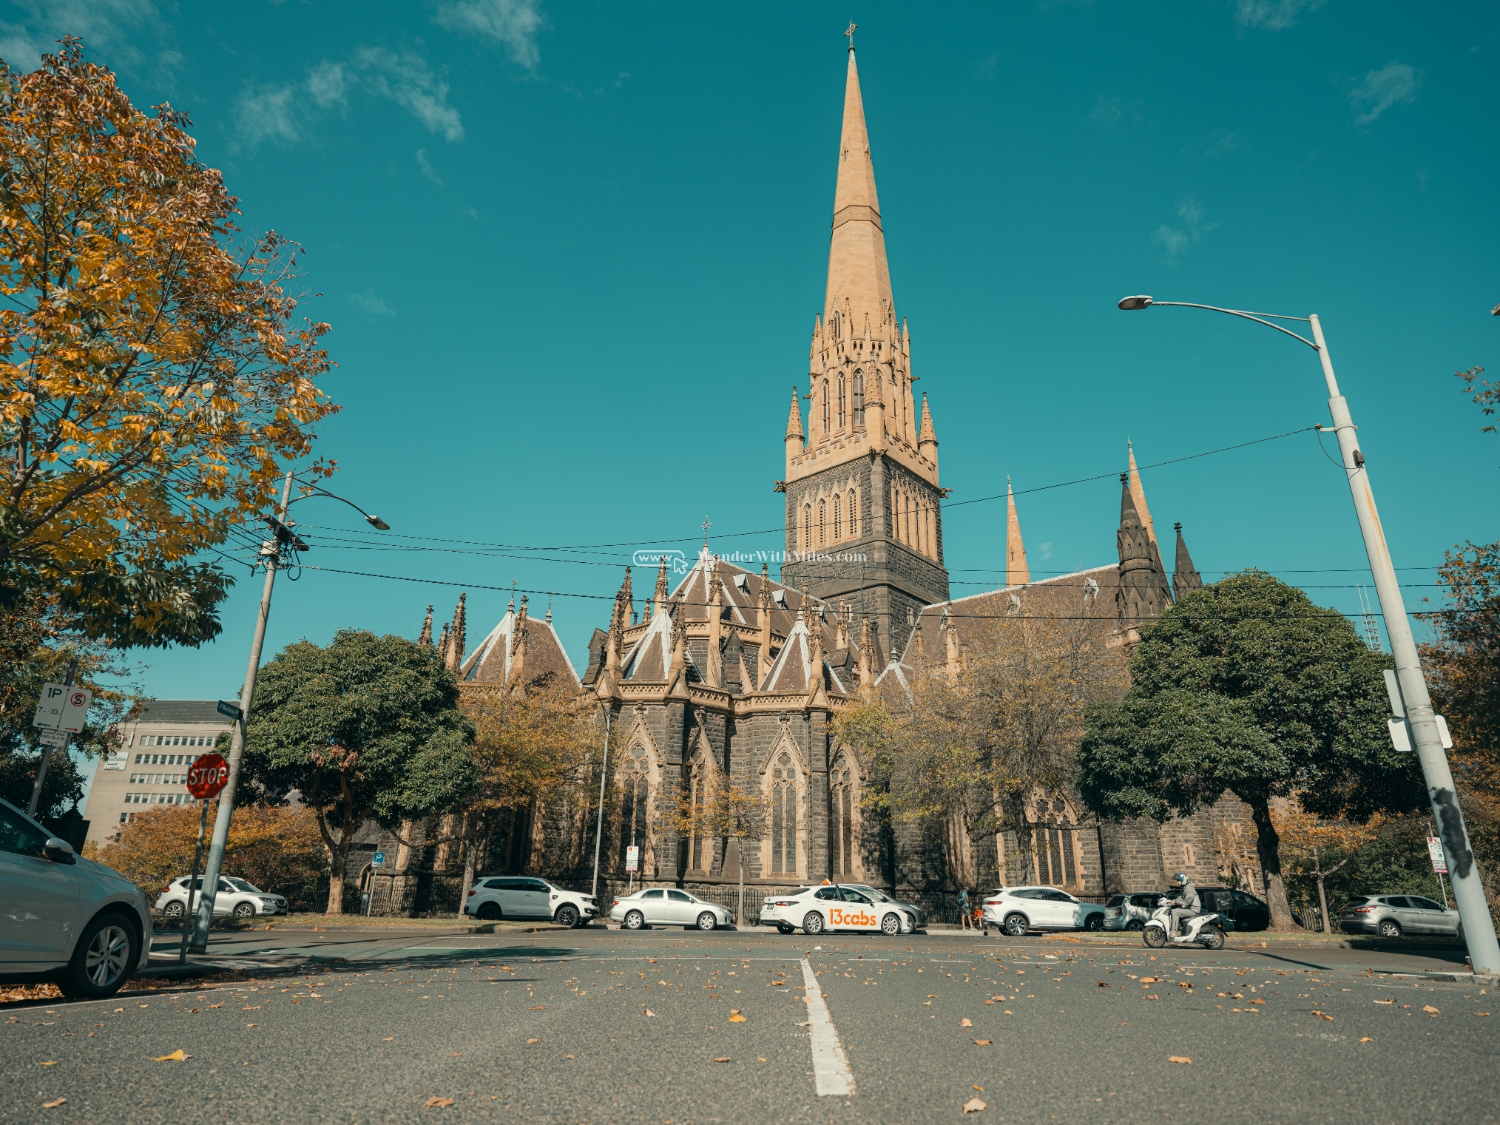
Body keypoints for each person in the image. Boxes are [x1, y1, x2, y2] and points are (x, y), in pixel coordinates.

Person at [1167, 872, 1200, 936]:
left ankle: (1173, 931)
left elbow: (1187, 902)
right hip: (1190, 908)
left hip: (1193, 910)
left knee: (1174, 912)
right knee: (1174, 910)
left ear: (1183, 880)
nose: (1177, 882)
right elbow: (1181, 898)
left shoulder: (1189, 889)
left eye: (1178, 881)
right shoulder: (1185, 888)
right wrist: (1172, 901)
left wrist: (1176, 902)